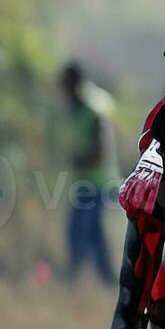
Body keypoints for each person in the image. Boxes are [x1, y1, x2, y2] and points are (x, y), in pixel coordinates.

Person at [58, 61, 117, 284]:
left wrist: (79, 159)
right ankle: (108, 280)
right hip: (87, 181)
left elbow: (99, 151)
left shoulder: (92, 108)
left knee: (77, 232)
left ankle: (72, 278)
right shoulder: (77, 106)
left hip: (96, 183)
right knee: (94, 235)